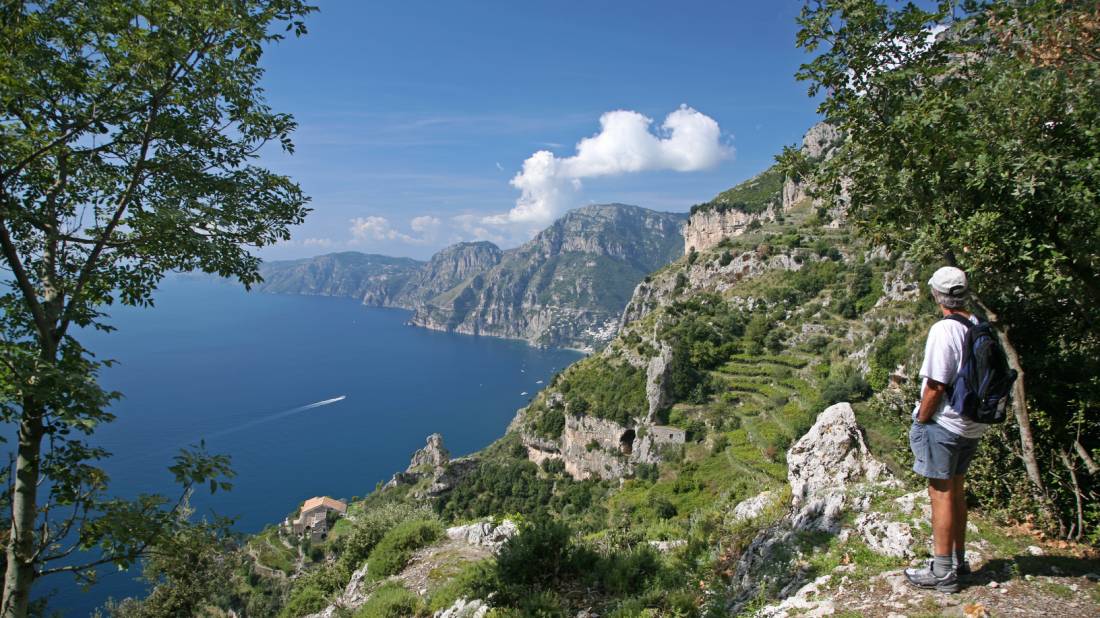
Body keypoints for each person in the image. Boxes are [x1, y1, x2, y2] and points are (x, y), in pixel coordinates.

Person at [904, 266, 986, 593]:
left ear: (937, 295)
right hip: (972, 425)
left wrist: (921, 419)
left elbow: (936, 385)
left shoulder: (944, 330)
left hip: (946, 424)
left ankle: (941, 572)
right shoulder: (978, 325)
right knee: (957, 490)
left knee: (940, 495)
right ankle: (960, 562)